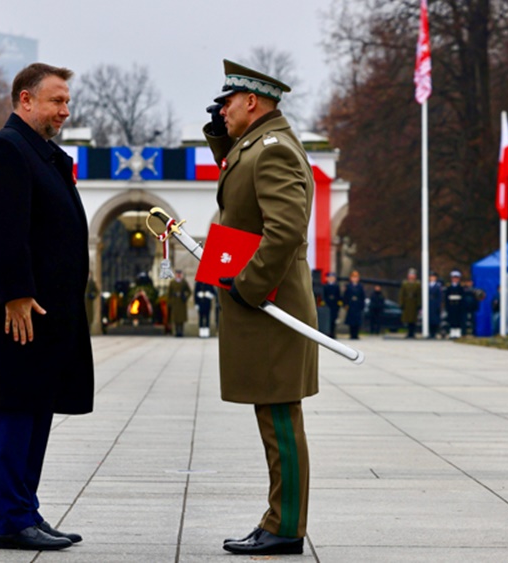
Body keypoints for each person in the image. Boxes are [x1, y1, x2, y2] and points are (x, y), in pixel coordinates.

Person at [0, 62, 93, 552]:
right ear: (25, 100)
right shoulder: (5, 148)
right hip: (17, 311)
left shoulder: (42, 153)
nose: (64, 109)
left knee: (36, 408)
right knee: (14, 409)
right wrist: (17, 293)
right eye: (56, 100)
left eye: (65, 101)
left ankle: (26, 510)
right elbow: (1, 231)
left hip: (47, 312)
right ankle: (12, 519)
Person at [203, 60, 318, 556]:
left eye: (227, 103)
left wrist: (248, 286)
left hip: (272, 306)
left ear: (252, 101)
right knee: (272, 417)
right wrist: (221, 137)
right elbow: (243, 192)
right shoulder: (260, 144)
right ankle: (278, 518)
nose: (221, 110)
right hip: (266, 305)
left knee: (280, 421)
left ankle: (286, 526)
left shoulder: (273, 150)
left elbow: (284, 229)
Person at [166, 269, 191, 337]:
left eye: (179, 274)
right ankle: (176, 331)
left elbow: (189, 292)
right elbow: (169, 293)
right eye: (177, 274)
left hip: (181, 302)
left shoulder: (184, 282)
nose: (178, 275)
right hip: (175, 302)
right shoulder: (172, 282)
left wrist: (185, 297)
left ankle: (181, 331)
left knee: (181, 318)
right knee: (175, 318)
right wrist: (170, 302)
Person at [399, 268, 422, 338]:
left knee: (414, 319)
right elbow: (402, 294)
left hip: (414, 303)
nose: (411, 276)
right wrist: (401, 303)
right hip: (407, 303)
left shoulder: (417, 284)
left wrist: (419, 304)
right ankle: (409, 332)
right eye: (410, 275)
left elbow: (419, 295)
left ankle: (412, 333)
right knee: (408, 319)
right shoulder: (405, 284)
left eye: (413, 275)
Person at [343, 270, 366, 339]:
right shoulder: (348, 286)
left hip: (357, 305)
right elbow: (345, 296)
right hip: (351, 305)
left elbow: (362, 296)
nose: (355, 279)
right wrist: (345, 304)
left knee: (357, 321)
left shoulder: (360, 287)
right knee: (351, 321)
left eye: (356, 277)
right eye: (353, 277)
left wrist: (362, 305)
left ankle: (356, 334)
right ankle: (351, 334)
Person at [445, 270, 466, 339]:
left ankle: (458, 333)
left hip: (458, 306)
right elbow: (446, 297)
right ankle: (452, 332)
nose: (455, 279)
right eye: (453, 278)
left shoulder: (461, 288)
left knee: (458, 319)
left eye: (456, 278)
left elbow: (462, 297)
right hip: (451, 306)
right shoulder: (449, 287)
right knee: (451, 319)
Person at [322, 271, 342, 338]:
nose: (331, 279)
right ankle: (327, 333)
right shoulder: (325, 286)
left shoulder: (336, 286)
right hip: (327, 305)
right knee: (327, 320)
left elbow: (338, 296)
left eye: (332, 277)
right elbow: (323, 296)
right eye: (330, 277)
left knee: (333, 320)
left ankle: (333, 333)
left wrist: (338, 305)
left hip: (334, 306)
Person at [427, 271, 443, 338]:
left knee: (435, 319)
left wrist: (439, 305)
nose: (432, 278)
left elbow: (440, 296)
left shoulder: (438, 286)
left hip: (435, 303)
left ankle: (434, 333)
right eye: (431, 277)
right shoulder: (426, 285)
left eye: (433, 277)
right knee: (429, 318)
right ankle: (429, 332)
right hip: (428, 303)